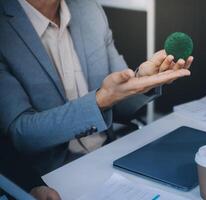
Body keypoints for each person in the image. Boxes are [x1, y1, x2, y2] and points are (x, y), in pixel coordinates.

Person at [0, 0, 194, 175]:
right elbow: (21, 133)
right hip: (50, 175)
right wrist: (101, 100)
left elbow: (119, 101)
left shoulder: (89, 10)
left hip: (110, 155)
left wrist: (142, 81)